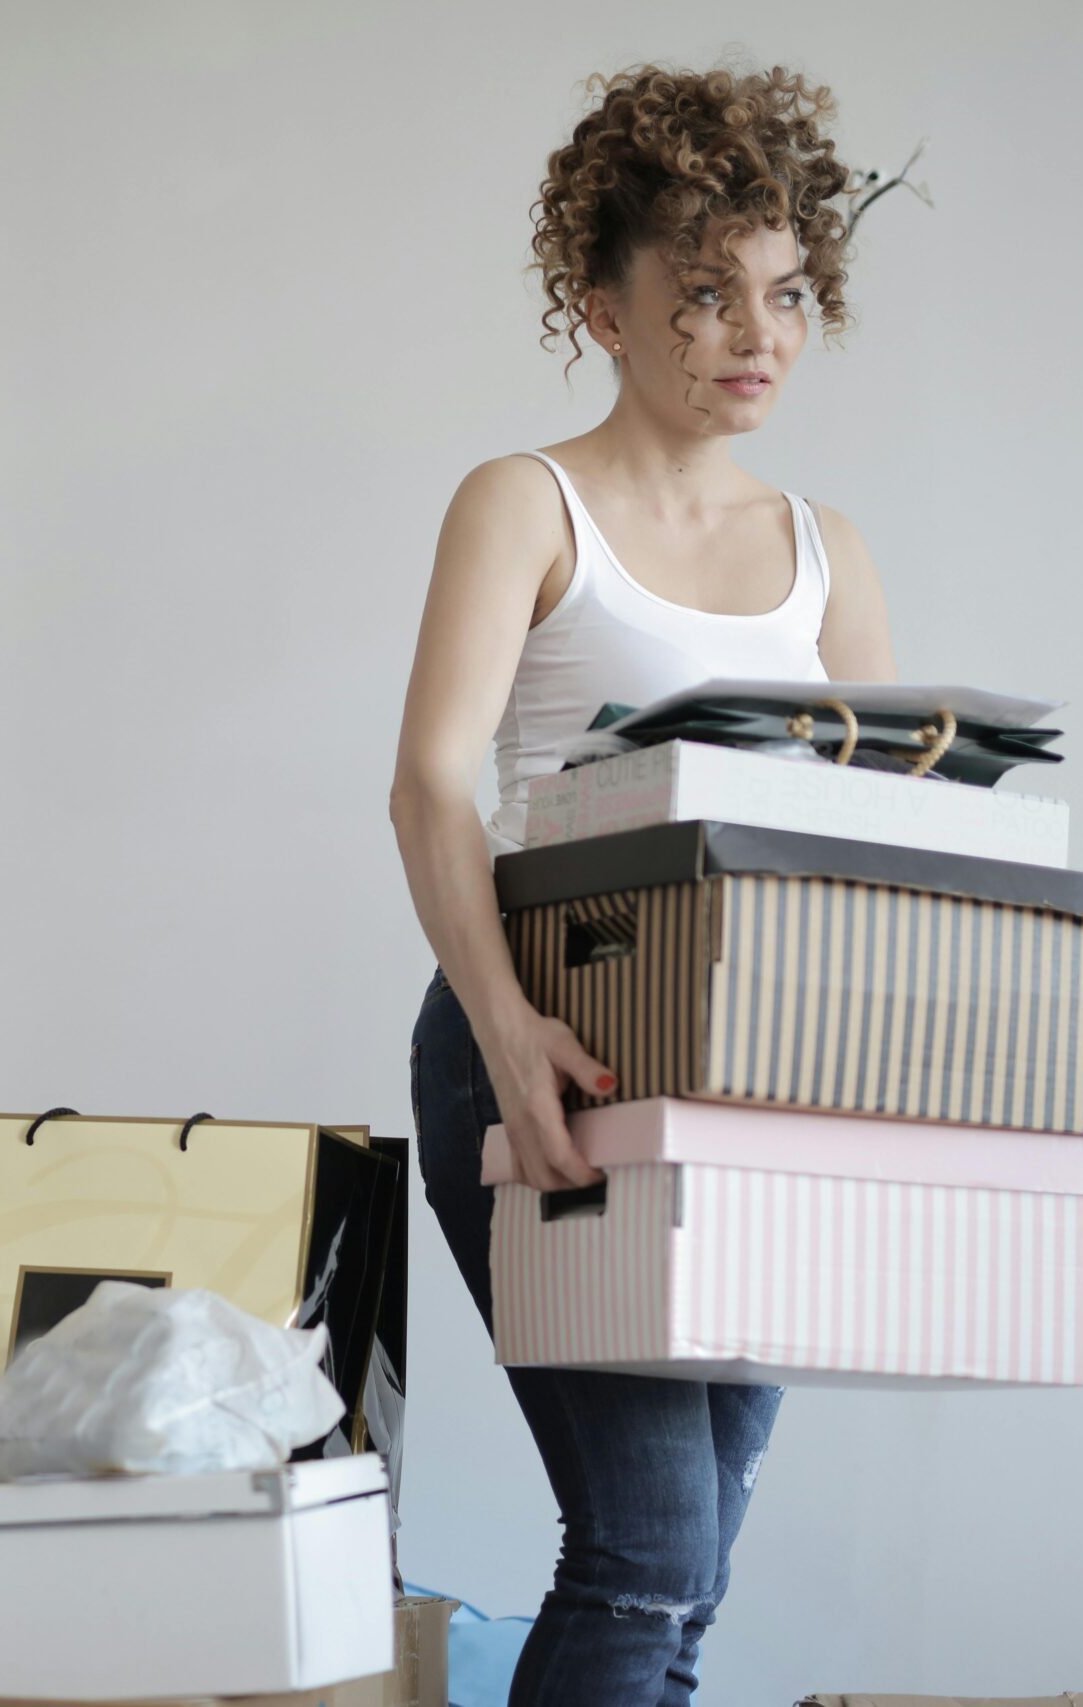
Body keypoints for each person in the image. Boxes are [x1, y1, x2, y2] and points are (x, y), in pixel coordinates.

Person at [388, 63, 900, 1707]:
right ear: (601, 311)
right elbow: (429, 788)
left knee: (692, 1564)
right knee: (649, 1549)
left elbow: (877, 850)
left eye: (785, 293)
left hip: (752, 1077)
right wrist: (507, 1028)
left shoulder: (829, 549)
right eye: (701, 296)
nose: (755, 334)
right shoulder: (525, 503)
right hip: (550, 1041)